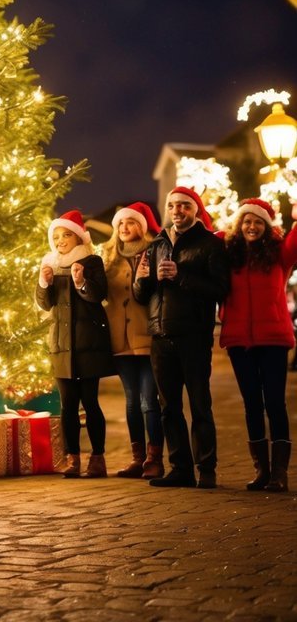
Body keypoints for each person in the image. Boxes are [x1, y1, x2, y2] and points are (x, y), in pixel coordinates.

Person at [133, 185, 229, 489]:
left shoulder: (210, 244)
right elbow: (141, 296)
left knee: (200, 404)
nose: (178, 211)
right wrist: (144, 279)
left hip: (193, 336)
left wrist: (181, 276)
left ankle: (207, 468)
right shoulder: (156, 244)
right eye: (173, 206)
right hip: (160, 336)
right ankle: (180, 468)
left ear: (195, 210)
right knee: (168, 407)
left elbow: (221, 290)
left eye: (184, 206)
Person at [219, 197, 297, 492]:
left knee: (275, 402)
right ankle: (261, 470)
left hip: (273, 338)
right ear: (239, 225)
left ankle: (280, 472)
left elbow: (295, 242)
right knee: (252, 404)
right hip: (239, 340)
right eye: (247, 221)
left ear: (266, 226)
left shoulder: (279, 253)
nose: (252, 226)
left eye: (257, 222)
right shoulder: (229, 253)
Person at [36, 209, 115, 478]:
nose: (60, 240)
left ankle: (98, 457)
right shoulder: (50, 264)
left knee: (90, 401)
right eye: (56, 236)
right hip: (61, 345)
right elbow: (45, 304)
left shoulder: (91, 261)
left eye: (66, 235)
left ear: (78, 238)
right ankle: (72, 458)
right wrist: (43, 284)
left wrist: (81, 282)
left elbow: (97, 296)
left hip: (87, 344)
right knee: (67, 404)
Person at [101, 201, 164, 479]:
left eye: (131, 222)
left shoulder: (153, 252)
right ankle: (137, 457)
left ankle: (154, 457)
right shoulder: (107, 256)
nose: (125, 228)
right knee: (130, 400)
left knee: (149, 399)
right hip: (119, 338)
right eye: (121, 224)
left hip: (147, 334)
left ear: (142, 226)